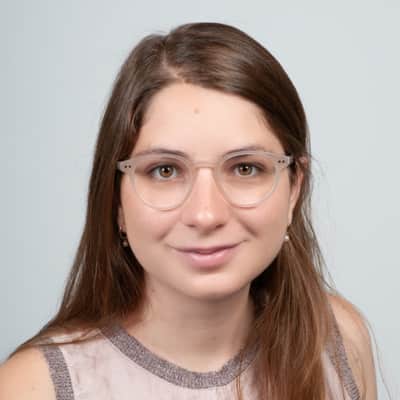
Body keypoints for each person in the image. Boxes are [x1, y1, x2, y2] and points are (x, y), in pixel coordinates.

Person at [0, 22, 377, 399]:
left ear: (294, 189)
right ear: (115, 201)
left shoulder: (338, 342)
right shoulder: (35, 387)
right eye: (165, 171)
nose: (206, 215)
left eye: (245, 168)